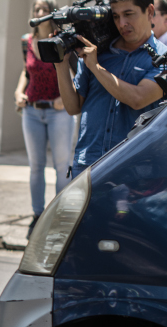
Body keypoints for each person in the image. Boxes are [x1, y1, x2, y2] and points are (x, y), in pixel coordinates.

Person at [56, 0, 167, 178]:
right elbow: (73, 107)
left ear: (149, 11)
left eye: (128, 14)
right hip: (87, 166)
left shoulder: (162, 57)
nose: (122, 23)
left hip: (133, 169)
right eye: (116, 16)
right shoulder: (96, 52)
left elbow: (138, 99)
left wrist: (96, 68)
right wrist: (60, 65)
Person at [15, 0, 73, 239]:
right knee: (36, 167)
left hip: (58, 110)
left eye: (44, 10)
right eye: (37, 10)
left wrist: (66, 97)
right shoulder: (26, 41)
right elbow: (26, 71)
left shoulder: (61, 39)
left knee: (61, 167)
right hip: (32, 110)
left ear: (52, 14)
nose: (40, 13)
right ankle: (38, 215)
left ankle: (60, 215)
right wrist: (18, 91)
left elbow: (73, 71)